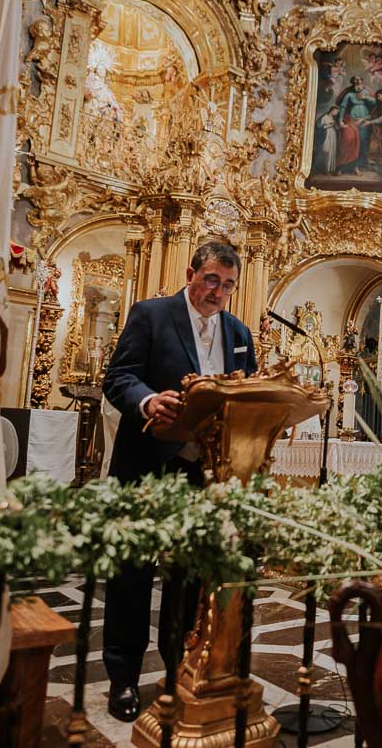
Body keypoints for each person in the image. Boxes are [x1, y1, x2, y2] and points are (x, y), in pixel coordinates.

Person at [100, 241, 258, 722]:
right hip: (146, 464)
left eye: (228, 285)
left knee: (189, 578)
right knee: (132, 573)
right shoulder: (151, 315)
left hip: (202, 472)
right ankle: (124, 678)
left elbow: (246, 391)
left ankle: (177, 668)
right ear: (192, 273)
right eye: (211, 280)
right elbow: (119, 377)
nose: (219, 292)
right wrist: (148, 401)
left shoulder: (238, 332)